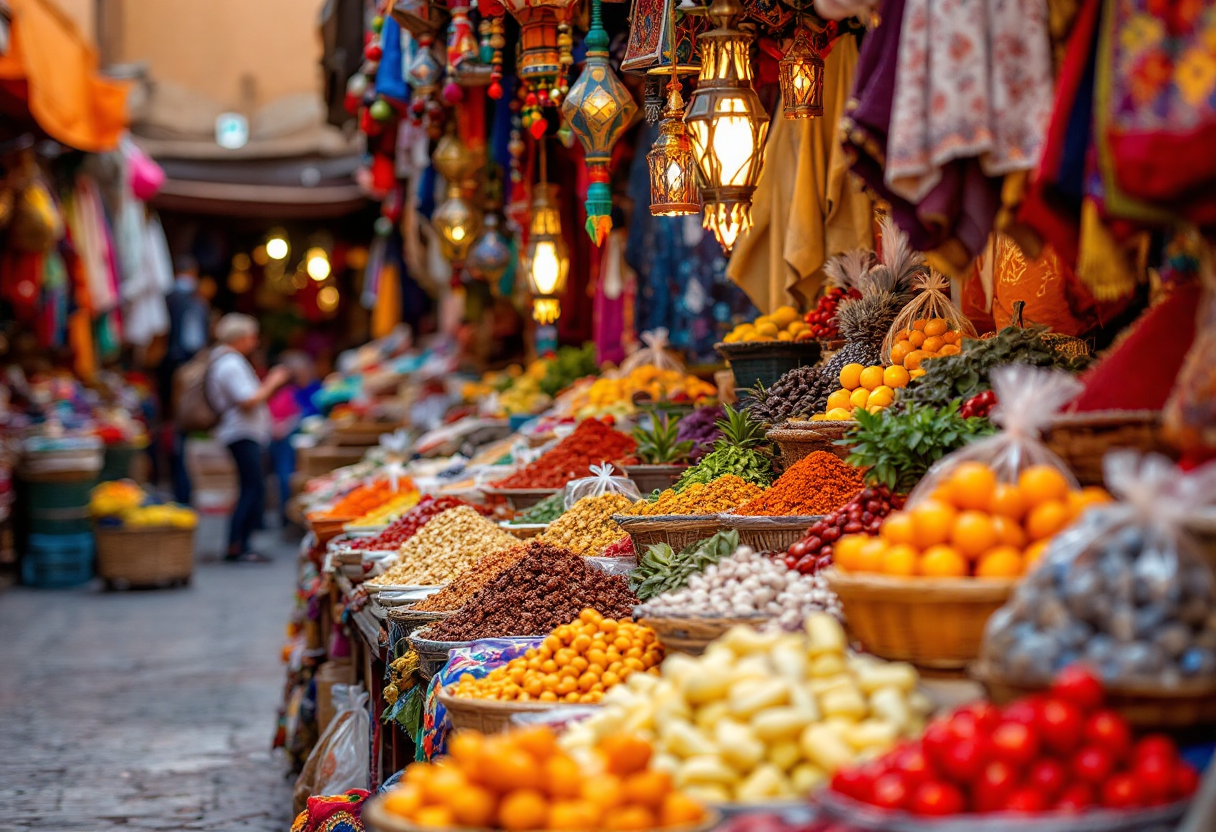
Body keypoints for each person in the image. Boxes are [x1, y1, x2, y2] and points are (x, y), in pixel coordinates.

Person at [207, 314, 290, 563]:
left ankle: (241, 543)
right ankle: (238, 545)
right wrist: (273, 381)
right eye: (251, 337)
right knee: (252, 487)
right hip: (240, 432)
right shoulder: (229, 363)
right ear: (241, 338)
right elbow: (248, 399)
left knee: (251, 486)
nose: (254, 343)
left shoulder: (225, 360)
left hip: (242, 432)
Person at [162, 256, 211, 504]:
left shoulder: (170, 297)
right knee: (180, 436)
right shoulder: (192, 300)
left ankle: (181, 489)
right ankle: (183, 490)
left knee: (178, 435)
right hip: (180, 371)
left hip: (172, 368)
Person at [267, 351, 320, 525]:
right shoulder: (287, 392)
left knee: (289, 476)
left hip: (309, 442)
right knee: (285, 476)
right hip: (285, 443)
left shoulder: (316, 388)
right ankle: (286, 516)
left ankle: (291, 516)